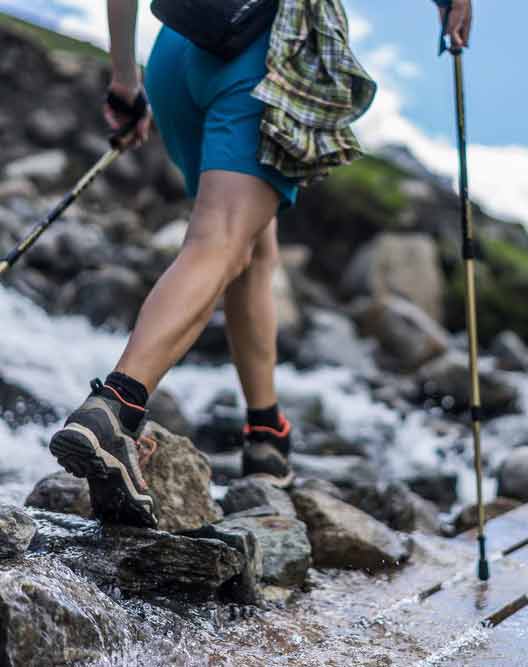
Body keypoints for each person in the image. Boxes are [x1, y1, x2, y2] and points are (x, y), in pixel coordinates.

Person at [49, 0, 473, 529]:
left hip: (175, 53)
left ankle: (265, 432)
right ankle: (116, 407)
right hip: (258, 51)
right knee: (221, 240)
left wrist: (124, 82)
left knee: (251, 242)